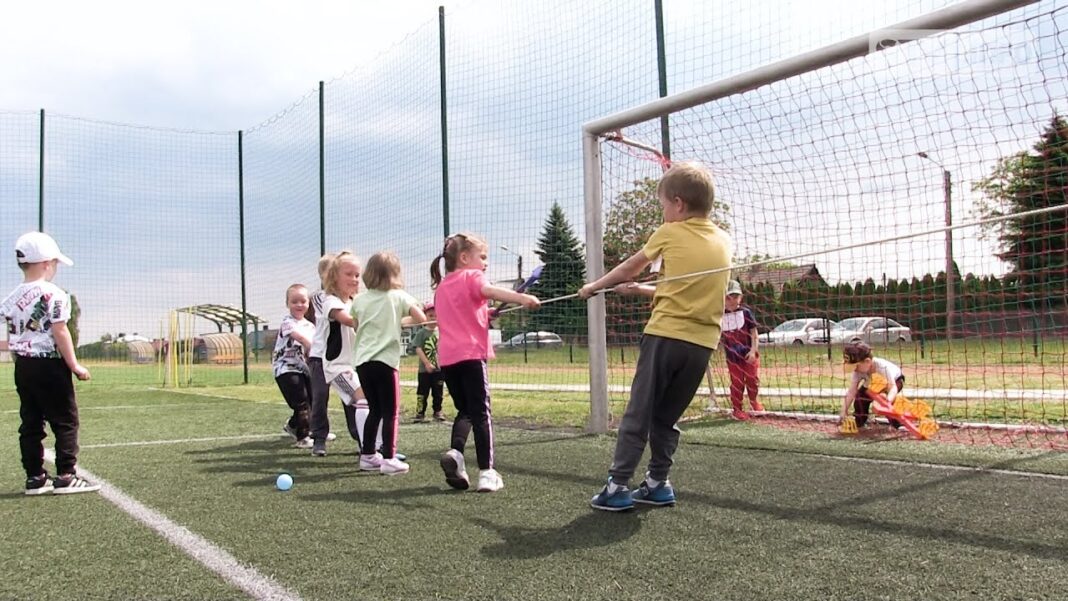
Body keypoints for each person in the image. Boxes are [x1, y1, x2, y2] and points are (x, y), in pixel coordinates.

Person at [578, 161, 730, 512]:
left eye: (663, 205)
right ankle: (658, 483)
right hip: (701, 345)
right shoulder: (723, 239)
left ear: (678, 204)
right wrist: (642, 291)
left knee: (639, 413)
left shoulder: (669, 232)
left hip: (665, 337)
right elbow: (687, 288)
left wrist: (595, 286)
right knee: (665, 417)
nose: (663, 212)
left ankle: (617, 486)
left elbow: (630, 265)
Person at [431, 233, 540, 492]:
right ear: (464, 258)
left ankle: (456, 454)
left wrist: (485, 311)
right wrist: (523, 298)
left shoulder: (443, 287)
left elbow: (462, 310)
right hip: (470, 356)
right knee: (482, 413)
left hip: (448, 360)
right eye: (482, 257)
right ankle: (487, 472)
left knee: (465, 411)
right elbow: (487, 290)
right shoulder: (472, 277)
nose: (486, 263)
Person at [1, 232, 100, 495]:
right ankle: (67, 475)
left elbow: (11, 334)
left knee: (31, 421)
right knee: (65, 419)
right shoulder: (55, 294)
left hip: (23, 367)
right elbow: (60, 331)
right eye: (55, 263)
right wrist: (75, 365)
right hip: (50, 365)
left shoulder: (11, 298)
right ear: (46, 263)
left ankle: (35, 477)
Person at [348, 252, 426, 475]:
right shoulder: (399, 296)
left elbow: (355, 325)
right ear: (394, 274)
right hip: (386, 363)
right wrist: (399, 321)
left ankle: (368, 455)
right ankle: (390, 458)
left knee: (374, 409)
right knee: (391, 411)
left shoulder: (360, 299)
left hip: (363, 362)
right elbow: (420, 318)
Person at [307, 251, 368, 457]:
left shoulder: (353, 301)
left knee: (356, 402)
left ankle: (365, 443)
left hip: (348, 364)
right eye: (347, 274)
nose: (353, 279)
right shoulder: (324, 299)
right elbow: (349, 320)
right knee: (320, 398)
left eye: (356, 275)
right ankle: (319, 438)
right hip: (325, 360)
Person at [273, 283, 315, 449]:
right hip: (286, 369)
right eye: (294, 301)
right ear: (287, 304)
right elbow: (299, 338)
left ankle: (294, 426)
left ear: (308, 304)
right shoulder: (287, 322)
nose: (299, 305)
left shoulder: (310, 326)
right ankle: (302, 437)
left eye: (303, 301)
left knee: (312, 401)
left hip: (303, 369)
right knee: (301, 402)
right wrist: (307, 344)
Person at [721, 279, 763, 419]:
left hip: (749, 354)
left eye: (736, 296)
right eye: (728, 297)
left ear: (741, 297)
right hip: (732, 357)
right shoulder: (720, 315)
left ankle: (753, 401)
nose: (732, 300)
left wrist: (753, 350)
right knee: (737, 382)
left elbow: (754, 333)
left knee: (752, 379)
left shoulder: (746, 313)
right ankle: (737, 408)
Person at [839, 341, 904, 430]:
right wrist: (844, 410)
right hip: (873, 382)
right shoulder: (858, 371)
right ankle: (859, 422)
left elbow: (893, 388)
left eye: (856, 367)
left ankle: (897, 425)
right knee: (860, 398)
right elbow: (852, 391)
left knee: (883, 399)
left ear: (867, 361)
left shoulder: (882, 367)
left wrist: (887, 401)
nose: (855, 370)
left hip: (894, 381)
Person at [411, 301, 445, 422]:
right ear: (425, 316)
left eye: (436, 316)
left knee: (438, 392)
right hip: (424, 370)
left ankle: (438, 411)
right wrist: (426, 363)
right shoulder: (421, 333)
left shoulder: (441, 331)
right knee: (422, 393)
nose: (434, 318)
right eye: (431, 316)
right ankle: (420, 413)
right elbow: (418, 348)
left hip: (439, 369)